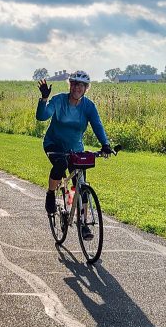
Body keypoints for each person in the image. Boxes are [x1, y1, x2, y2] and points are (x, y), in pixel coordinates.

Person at [36, 70, 113, 232]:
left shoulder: (89, 106)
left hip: (75, 148)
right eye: (74, 84)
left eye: (81, 85)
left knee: (80, 184)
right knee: (60, 164)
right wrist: (44, 99)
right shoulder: (58, 100)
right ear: (70, 85)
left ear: (86, 88)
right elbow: (42, 117)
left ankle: (83, 223)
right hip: (53, 144)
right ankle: (51, 194)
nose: (77, 87)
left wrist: (105, 144)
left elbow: (97, 126)